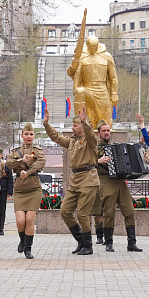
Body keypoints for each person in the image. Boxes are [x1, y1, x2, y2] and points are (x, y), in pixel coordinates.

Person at [44, 106, 98, 256]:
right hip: (75, 180)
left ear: (82, 126)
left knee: (82, 214)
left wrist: (84, 121)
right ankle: (80, 239)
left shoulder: (90, 140)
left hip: (88, 179)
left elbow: (90, 134)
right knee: (65, 211)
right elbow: (56, 137)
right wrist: (47, 124)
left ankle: (88, 246)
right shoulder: (72, 142)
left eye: (75, 125)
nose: (72, 128)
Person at [95, 119, 143, 252]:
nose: (106, 133)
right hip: (107, 181)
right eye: (103, 131)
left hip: (121, 182)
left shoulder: (115, 146)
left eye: (108, 130)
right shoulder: (96, 148)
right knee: (109, 213)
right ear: (99, 133)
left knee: (129, 211)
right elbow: (90, 162)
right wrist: (99, 160)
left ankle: (132, 243)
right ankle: (109, 242)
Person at [67, 9, 118, 129]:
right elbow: (71, 73)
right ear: (87, 46)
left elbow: (113, 77)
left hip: (102, 91)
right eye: (91, 47)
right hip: (87, 90)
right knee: (80, 92)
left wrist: (114, 93)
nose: (93, 49)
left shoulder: (106, 56)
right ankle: (79, 125)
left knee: (104, 124)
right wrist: (74, 63)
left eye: (95, 47)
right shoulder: (82, 55)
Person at [6, 123, 47, 259]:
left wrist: (28, 173)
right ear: (22, 135)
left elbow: (40, 162)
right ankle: (22, 240)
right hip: (20, 189)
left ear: (33, 135)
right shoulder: (15, 151)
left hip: (34, 188)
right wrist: (21, 160)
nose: (29, 137)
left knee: (29, 219)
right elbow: (9, 163)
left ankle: (27, 248)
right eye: (26, 134)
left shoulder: (38, 150)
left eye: (31, 134)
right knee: (20, 221)